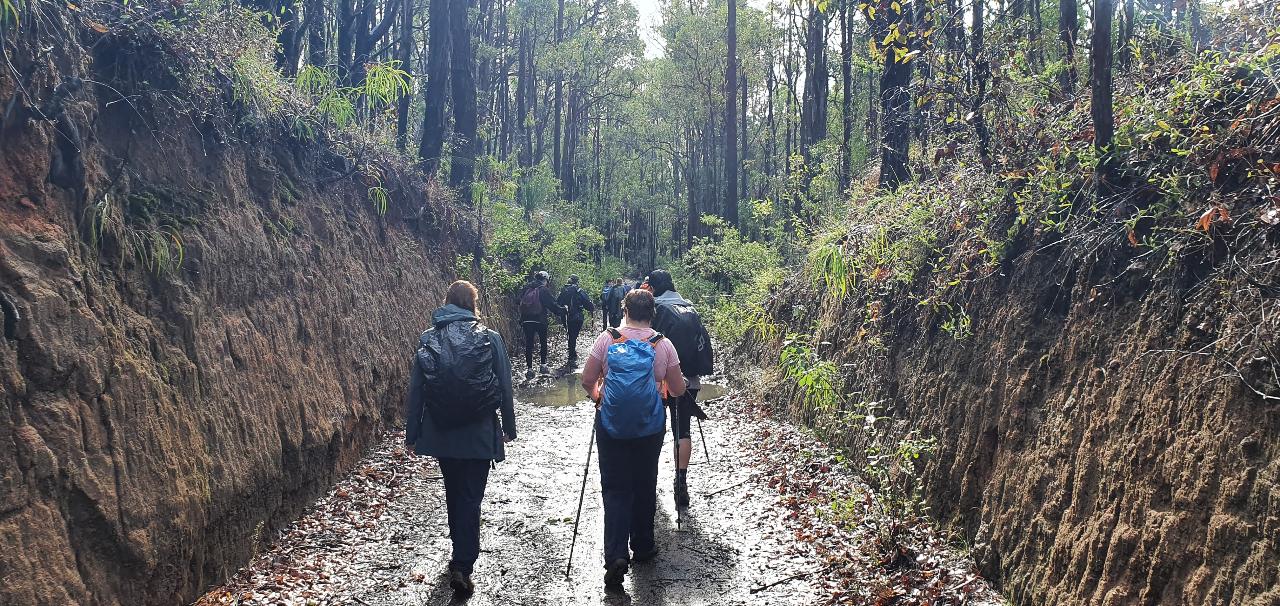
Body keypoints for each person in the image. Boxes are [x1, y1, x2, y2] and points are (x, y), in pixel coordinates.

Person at [405, 280, 517, 596]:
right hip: (479, 433)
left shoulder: (428, 339)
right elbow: (505, 387)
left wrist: (412, 433)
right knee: (470, 497)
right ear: (472, 304)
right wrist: (508, 426)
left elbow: (417, 391)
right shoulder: (490, 338)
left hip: (442, 433)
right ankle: (463, 564)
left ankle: (459, 553)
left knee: (454, 493)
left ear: (446, 303)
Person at [580, 289, 686, 589]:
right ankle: (642, 546)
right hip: (649, 426)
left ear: (624, 309)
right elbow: (678, 389)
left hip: (611, 424)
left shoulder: (607, 339)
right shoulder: (662, 344)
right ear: (652, 312)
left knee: (615, 488)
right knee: (644, 482)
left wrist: (599, 398)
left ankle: (615, 555)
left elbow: (587, 380)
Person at [644, 269, 714, 509]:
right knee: (682, 429)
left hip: (662, 382)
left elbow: (649, 344)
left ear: (652, 288)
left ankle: (648, 479)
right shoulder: (688, 307)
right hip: (689, 381)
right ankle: (681, 479)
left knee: (654, 428)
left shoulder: (657, 309)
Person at [518, 271, 566, 379]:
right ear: (545, 280)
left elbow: (518, 301)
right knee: (543, 342)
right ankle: (543, 365)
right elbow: (553, 306)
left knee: (529, 344)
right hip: (540, 320)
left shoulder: (526, 288)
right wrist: (564, 310)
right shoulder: (543, 290)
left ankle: (529, 369)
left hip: (526, 320)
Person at [557, 274, 595, 367]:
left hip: (566, 316)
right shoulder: (579, 291)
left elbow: (558, 302)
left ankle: (572, 352)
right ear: (577, 281)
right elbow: (588, 304)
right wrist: (591, 308)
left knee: (570, 333)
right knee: (573, 335)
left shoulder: (564, 290)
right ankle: (572, 355)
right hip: (577, 317)